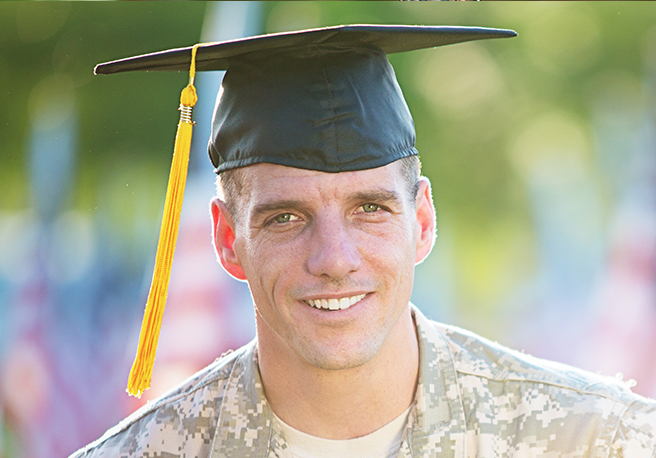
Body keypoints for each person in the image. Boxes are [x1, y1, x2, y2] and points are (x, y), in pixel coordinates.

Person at [70, 25, 656, 458]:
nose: (334, 259)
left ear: (422, 220)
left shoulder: (597, 440)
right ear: (227, 240)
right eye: (285, 219)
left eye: (370, 209)